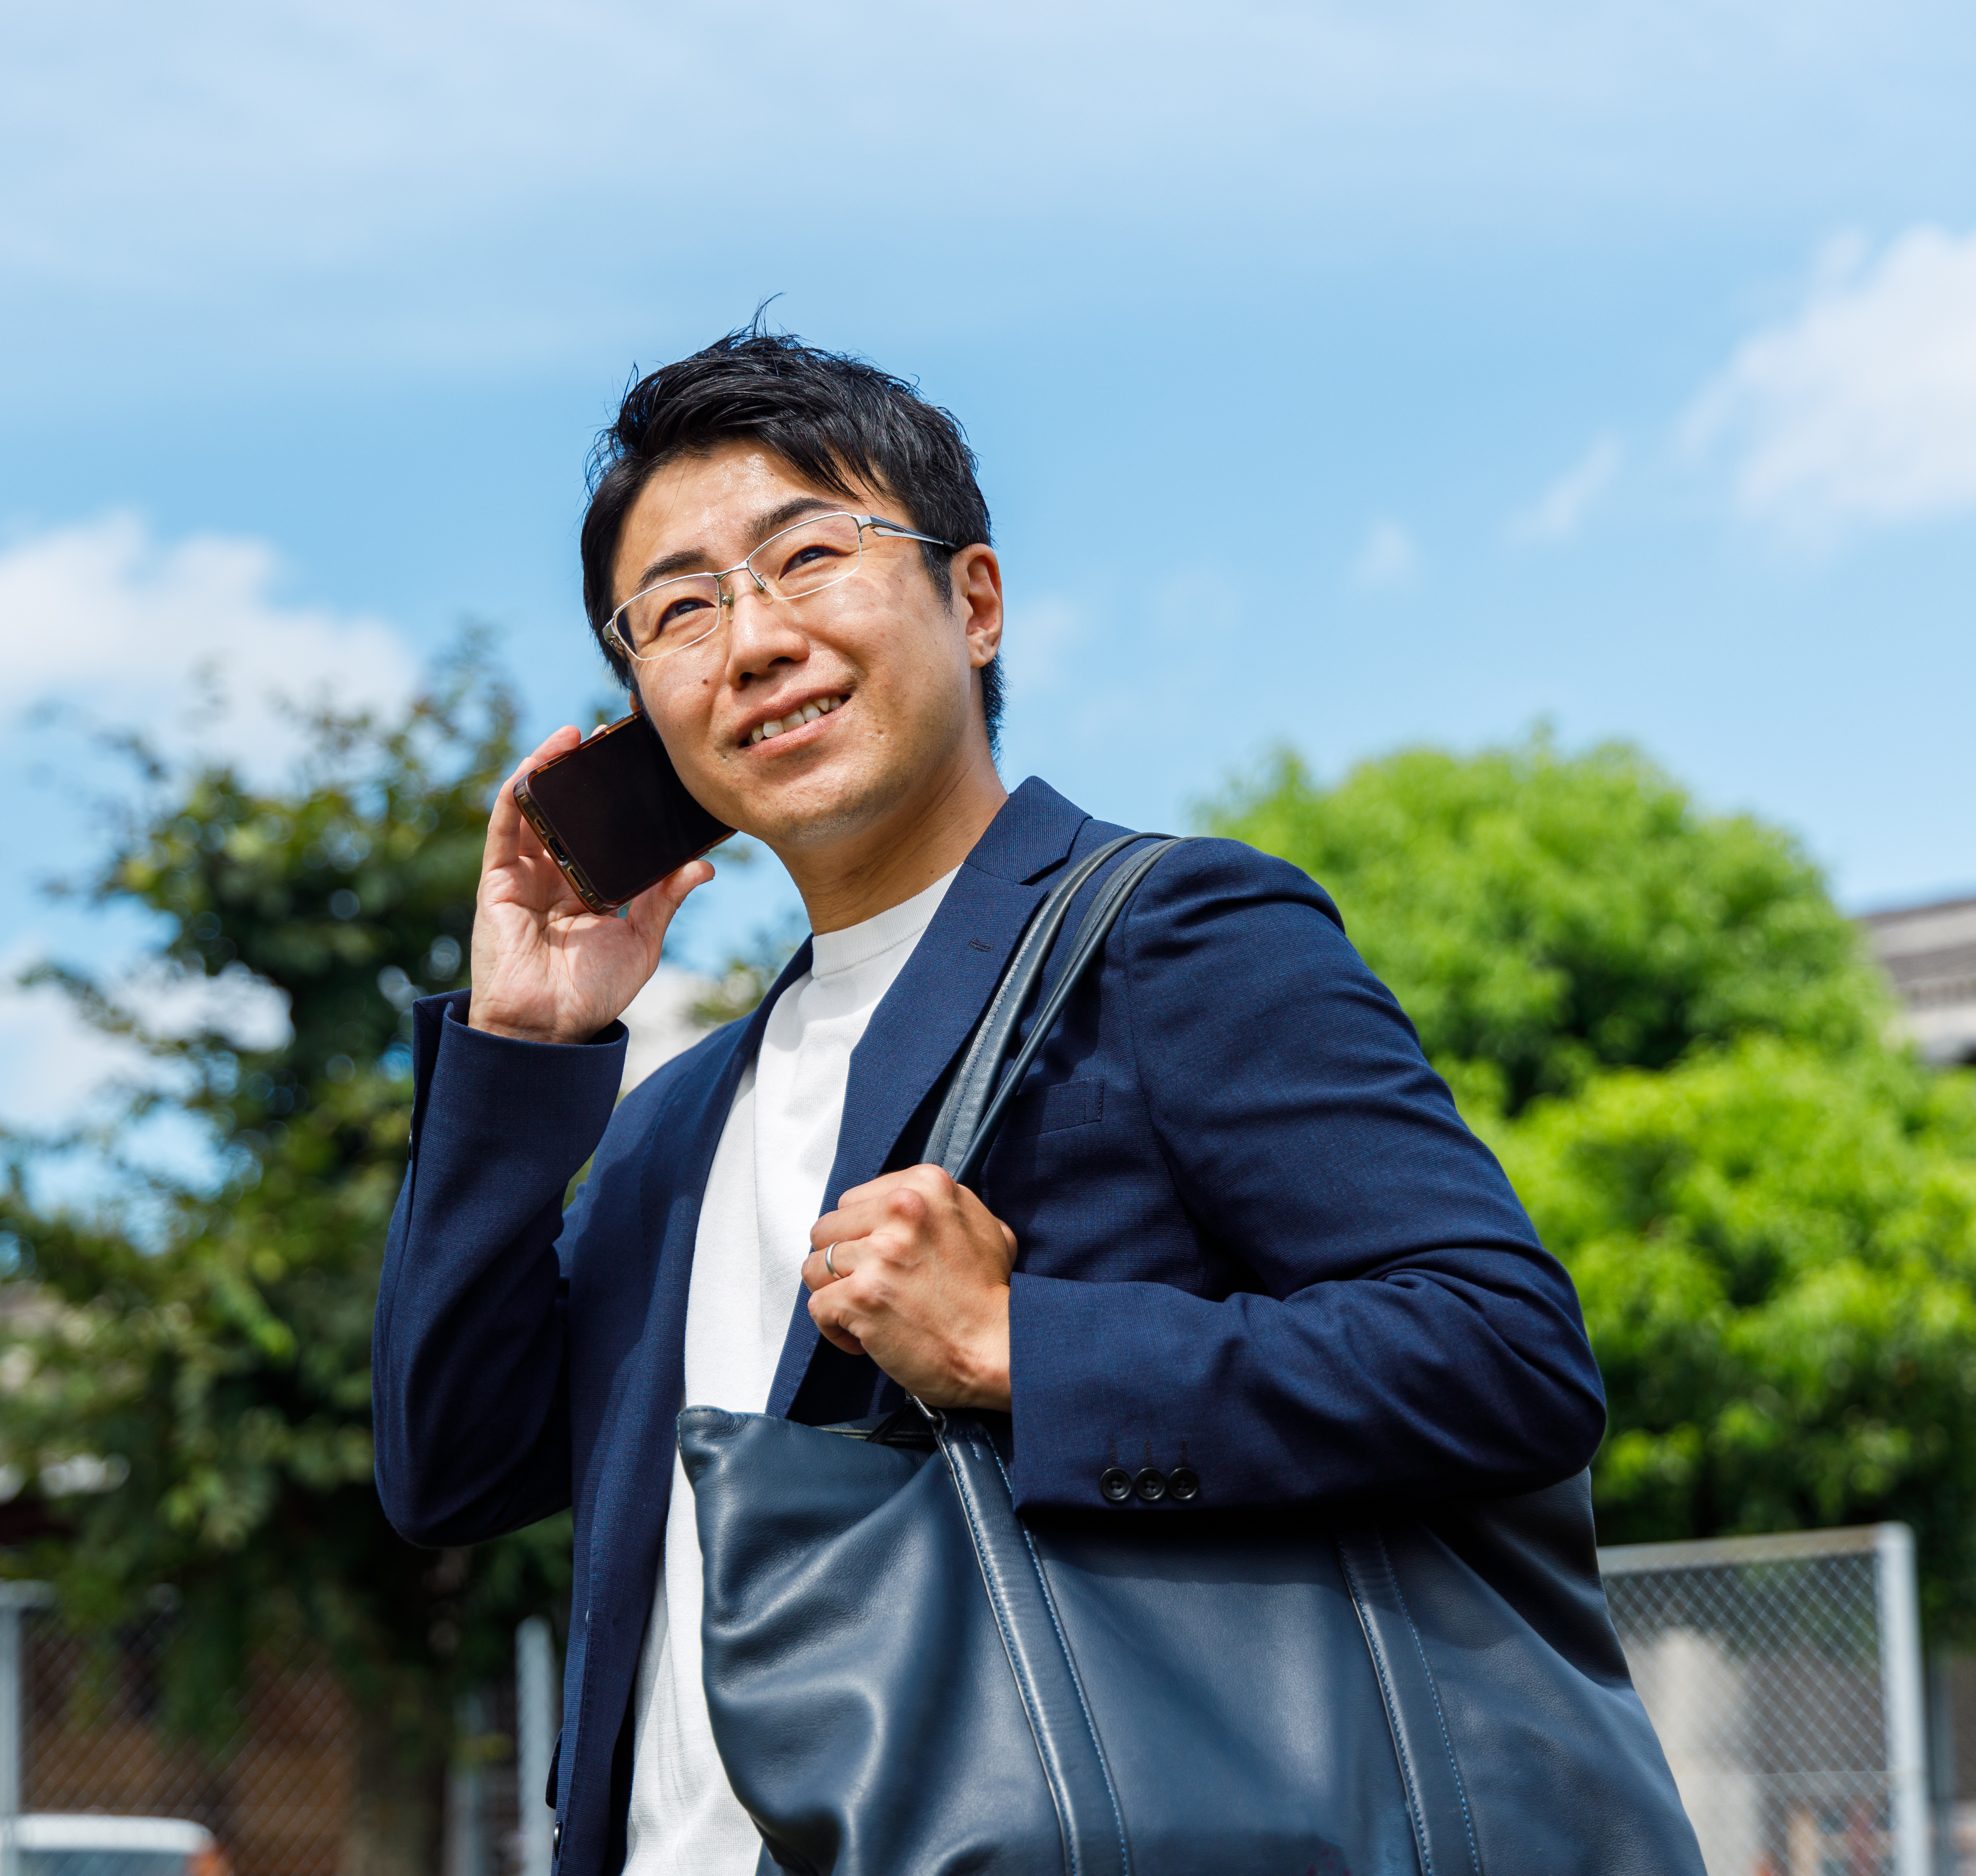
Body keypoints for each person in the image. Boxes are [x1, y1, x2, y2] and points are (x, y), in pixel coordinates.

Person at [371, 327, 1606, 1876]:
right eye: (678, 610)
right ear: (646, 709)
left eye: (808, 555)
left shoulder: (1171, 937)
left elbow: (1506, 1355)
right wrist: (523, 1050)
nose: (751, 640)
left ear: (974, 600)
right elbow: (452, 1470)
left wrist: (1023, 1346)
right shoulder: (676, 1123)